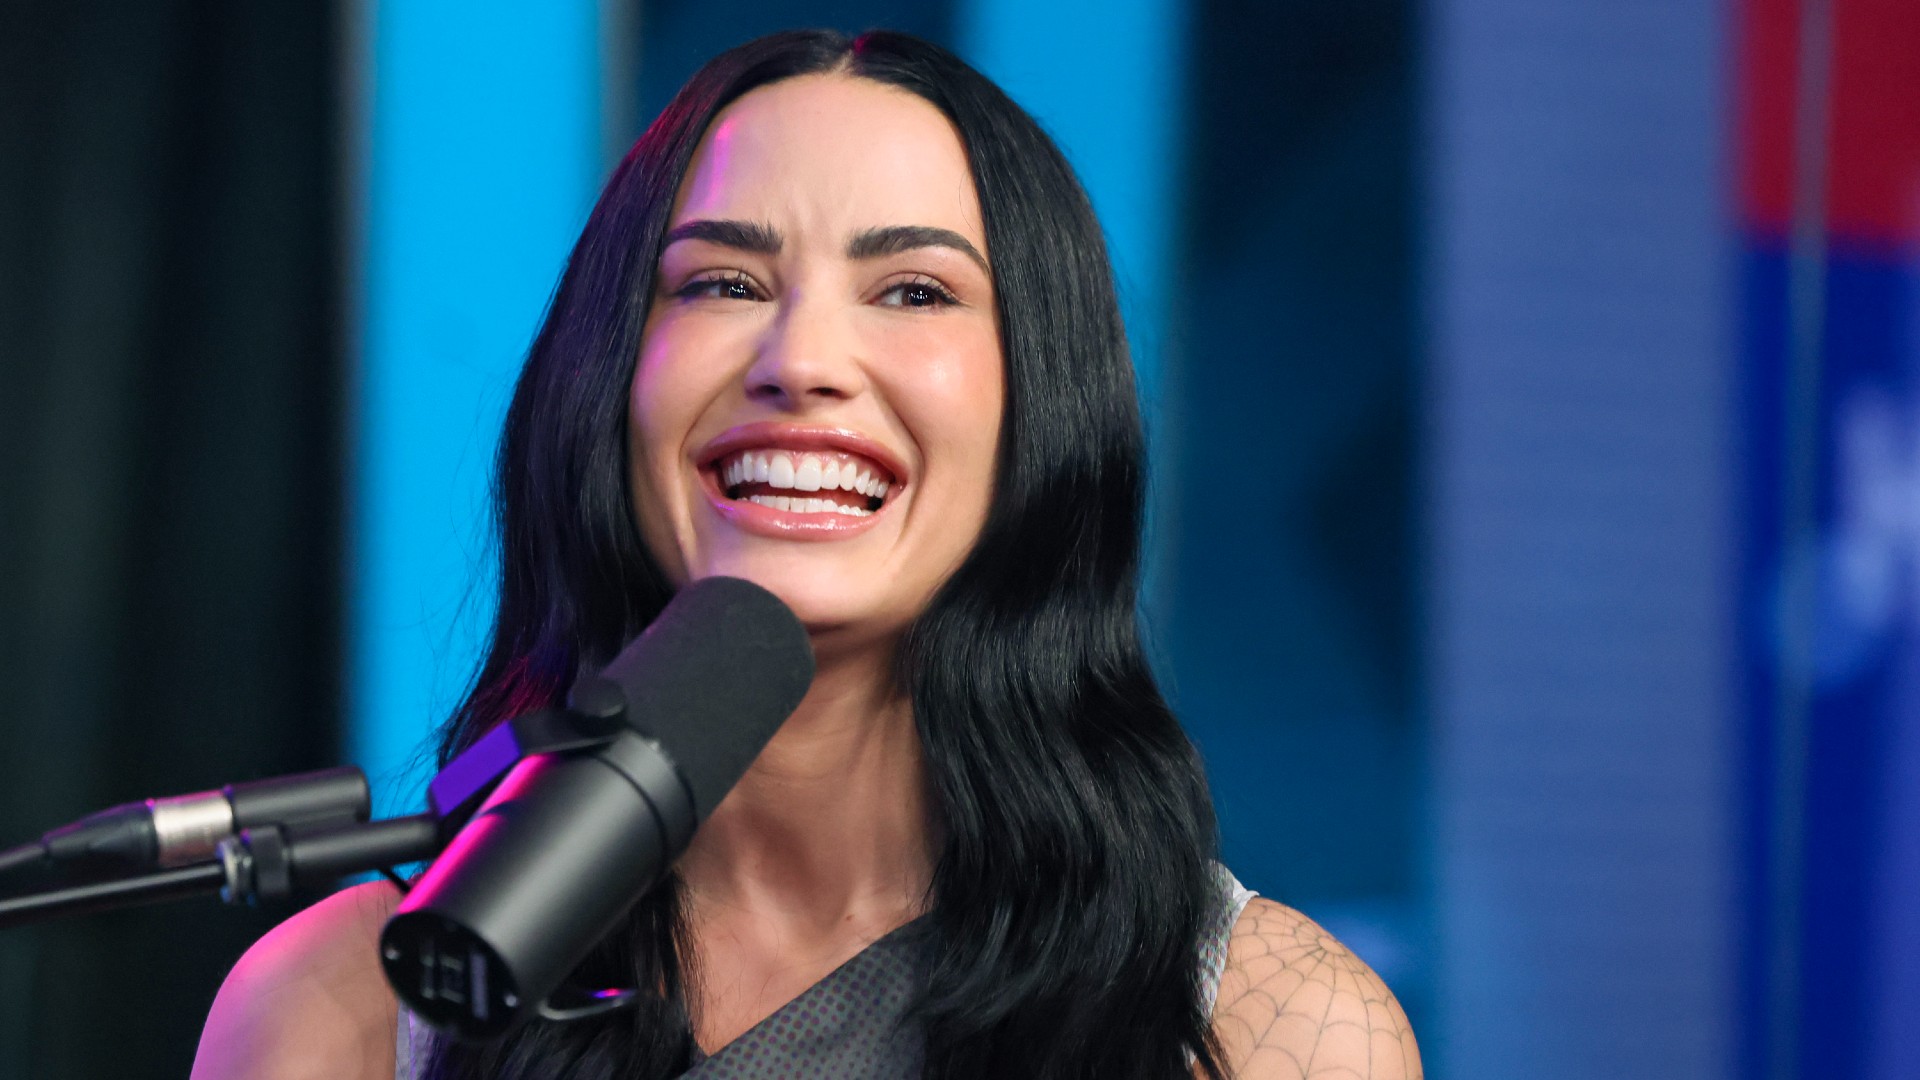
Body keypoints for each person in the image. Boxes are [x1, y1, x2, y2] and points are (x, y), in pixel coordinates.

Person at [190, 29, 1421, 1080]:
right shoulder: (343, 1011)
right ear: (604, 384)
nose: (801, 359)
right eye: (722, 280)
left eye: (914, 293)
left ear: (1044, 407)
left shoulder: (1263, 1027)